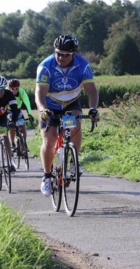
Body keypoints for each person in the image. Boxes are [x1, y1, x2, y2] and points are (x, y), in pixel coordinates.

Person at [35, 34, 99, 197]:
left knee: (76, 125)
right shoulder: (45, 67)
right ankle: (47, 176)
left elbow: (91, 90)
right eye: (58, 53)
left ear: (74, 54)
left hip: (71, 103)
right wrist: (43, 110)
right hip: (50, 105)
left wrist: (93, 109)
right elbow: (39, 93)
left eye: (65, 55)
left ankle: (72, 162)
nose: (61, 57)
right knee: (49, 141)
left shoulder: (83, 66)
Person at [6, 78, 35, 152]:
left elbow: (27, 102)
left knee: (23, 126)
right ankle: (12, 144)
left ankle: (24, 144)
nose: (14, 91)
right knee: (11, 126)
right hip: (9, 111)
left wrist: (30, 114)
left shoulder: (21, 91)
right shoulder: (6, 92)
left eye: (16, 89)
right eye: (12, 89)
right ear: (9, 88)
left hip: (18, 110)